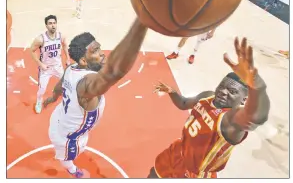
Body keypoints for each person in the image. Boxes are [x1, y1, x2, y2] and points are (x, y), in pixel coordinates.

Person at [149, 37, 270, 178]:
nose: (224, 92)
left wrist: (258, 85)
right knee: (153, 174)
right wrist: (172, 92)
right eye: (223, 86)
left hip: (194, 173)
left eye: (232, 91)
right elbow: (183, 104)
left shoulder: (232, 121)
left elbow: (256, 117)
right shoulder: (208, 96)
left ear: (244, 99)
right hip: (177, 151)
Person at [43, 17, 148, 178]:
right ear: (84, 60)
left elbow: (59, 85)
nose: (102, 54)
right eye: (96, 52)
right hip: (69, 136)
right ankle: (71, 169)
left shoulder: (72, 67)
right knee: (67, 157)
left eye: (100, 48)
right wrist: (142, 22)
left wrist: (52, 97)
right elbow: (114, 73)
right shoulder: (87, 84)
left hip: (60, 117)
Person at [30, 15, 71, 114]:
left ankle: (67, 99)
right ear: (46, 26)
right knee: (42, 89)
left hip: (58, 66)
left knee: (66, 84)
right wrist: (40, 64)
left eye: (54, 23)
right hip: (46, 68)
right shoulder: (40, 39)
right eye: (50, 23)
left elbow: (65, 46)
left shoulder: (61, 36)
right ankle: (39, 102)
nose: (53, 25)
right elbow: (32, 51)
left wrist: (68, 58)